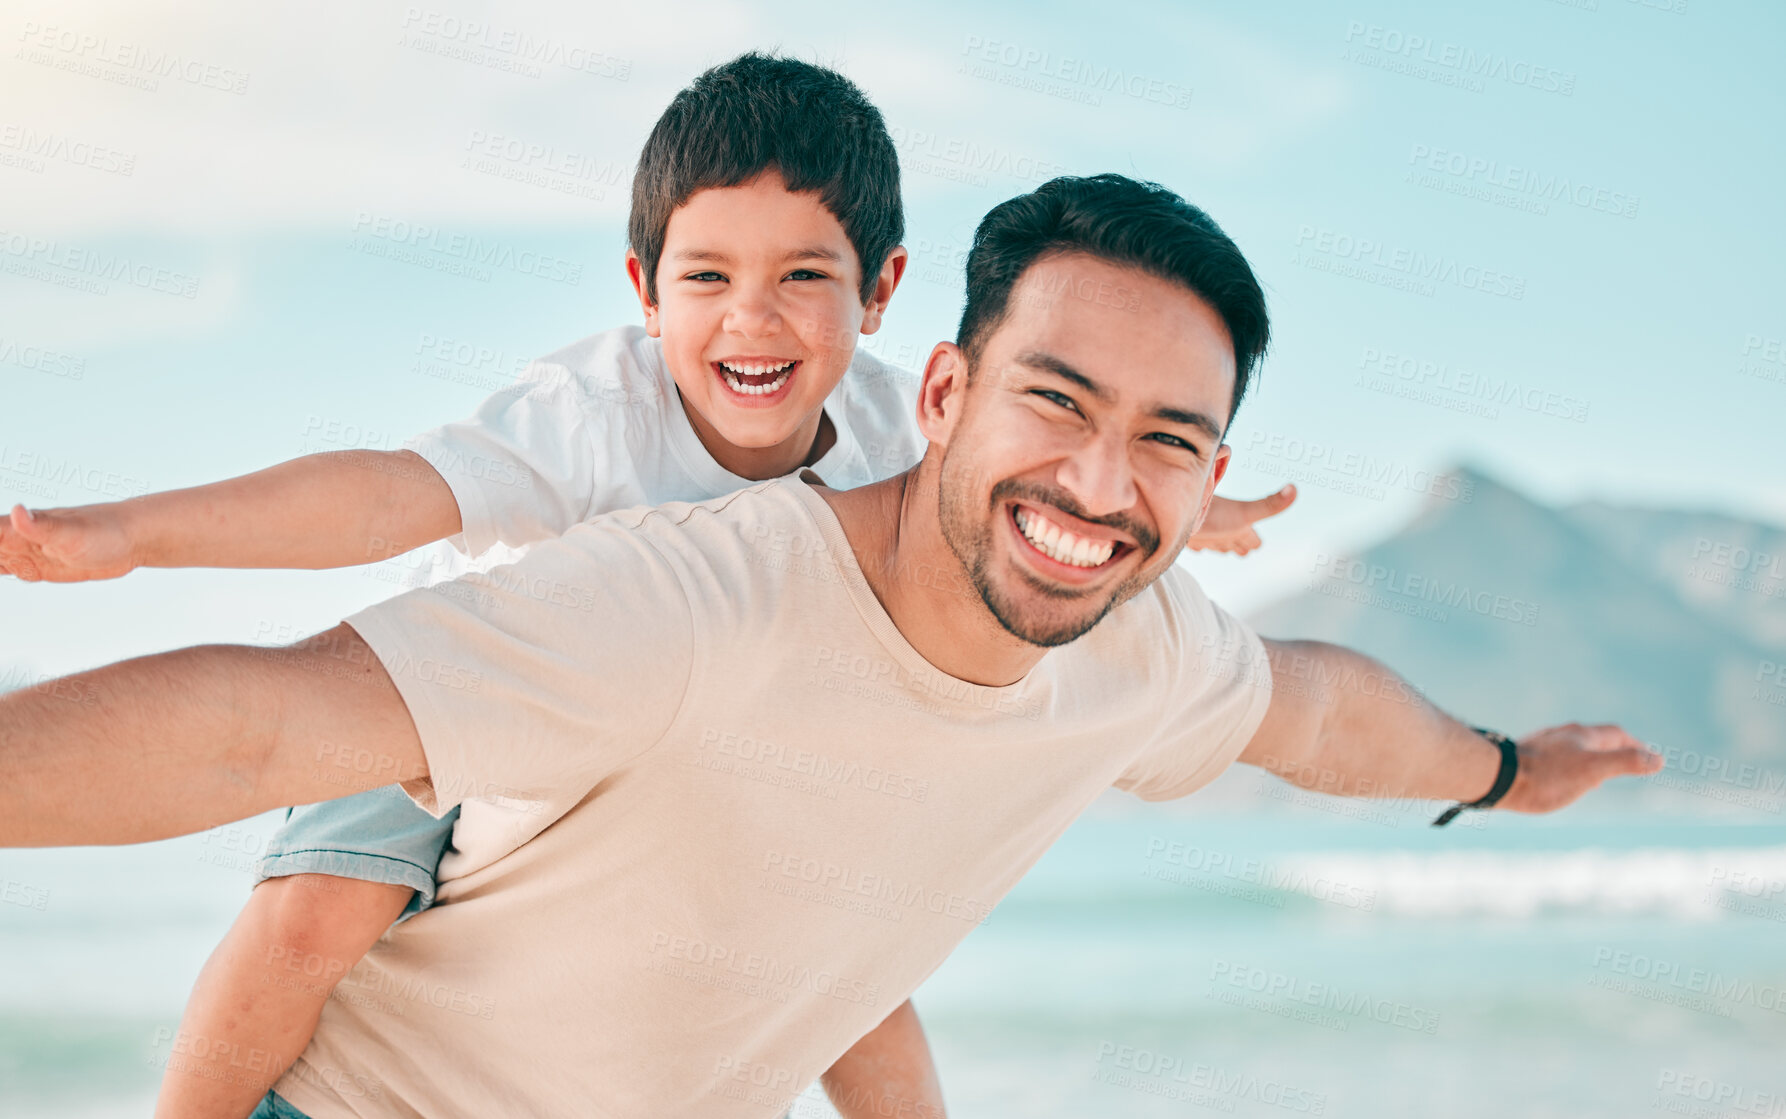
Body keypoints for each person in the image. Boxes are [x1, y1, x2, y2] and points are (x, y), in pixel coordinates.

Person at [0, 173, 1659, 1119]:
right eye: (1056, 403)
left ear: (1211, 476)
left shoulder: (1142, 647)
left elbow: (1311, 712)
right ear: (942, 396)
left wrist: (1508, 772)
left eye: (1163, 440)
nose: (1096, 485)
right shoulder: (687, 595)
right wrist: (127, 533)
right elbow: (253, 726)